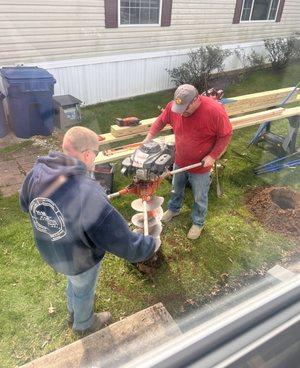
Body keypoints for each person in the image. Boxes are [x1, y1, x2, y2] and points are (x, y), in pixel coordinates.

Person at [20, 126, 159, 335]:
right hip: (79, 258)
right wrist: (150, 245)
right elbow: (121, 241)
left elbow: (25, 205)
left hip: (52, 251)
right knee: (84, 287)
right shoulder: (88, 192)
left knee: (73, 281)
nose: (95, 159)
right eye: (95, 154)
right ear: (86, 154)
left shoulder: (37, 172)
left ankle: (72, 310)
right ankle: (84, 324)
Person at [143, 84, 233, 240]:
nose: (182, 112)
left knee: (199, 197)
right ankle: (174, 209)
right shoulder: (174, 106)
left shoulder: (215, 111)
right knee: (176, 188)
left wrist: (212, 156)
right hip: (180, 159)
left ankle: (198, 222)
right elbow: (160, 121)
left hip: (201, 166)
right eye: (179, 108)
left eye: (185, 108)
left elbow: (226, 135)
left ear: (196, 99)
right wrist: (148, 138)